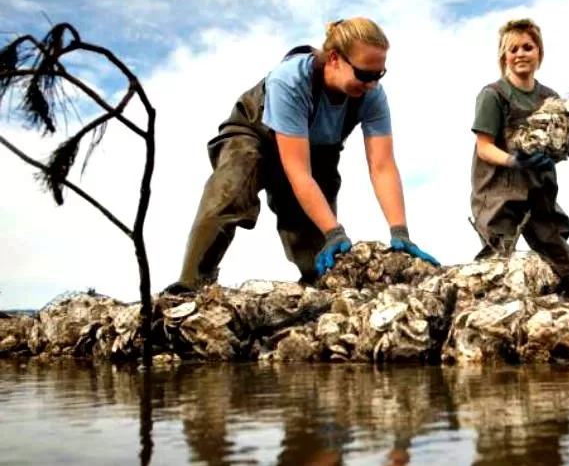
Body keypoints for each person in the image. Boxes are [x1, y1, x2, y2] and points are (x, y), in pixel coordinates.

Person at [165, 17, 438, 294]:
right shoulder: (290, 81)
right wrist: (336, 231)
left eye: (379, 75)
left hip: (315, 153)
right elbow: (297, 172)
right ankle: (191, 284)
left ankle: (316, 291)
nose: (372, 84)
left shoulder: (372, 96)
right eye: (365, 75)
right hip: (255, 136)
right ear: (334, 58)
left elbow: (382, 166)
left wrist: (399, 232)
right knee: (232, 185)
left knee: (321, 252)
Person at [469, 18, 569, 299]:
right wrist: (515, 162)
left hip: (540, 189)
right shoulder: (493, 95)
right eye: (513, 49)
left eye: (528, 47)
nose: (520, 54)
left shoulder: (551, 98)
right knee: (497, 266)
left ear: (539, 53)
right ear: (504, 56)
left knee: (558, 255)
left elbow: (555, 150)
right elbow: (484, 147)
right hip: (498, 191)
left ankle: (568, 307)